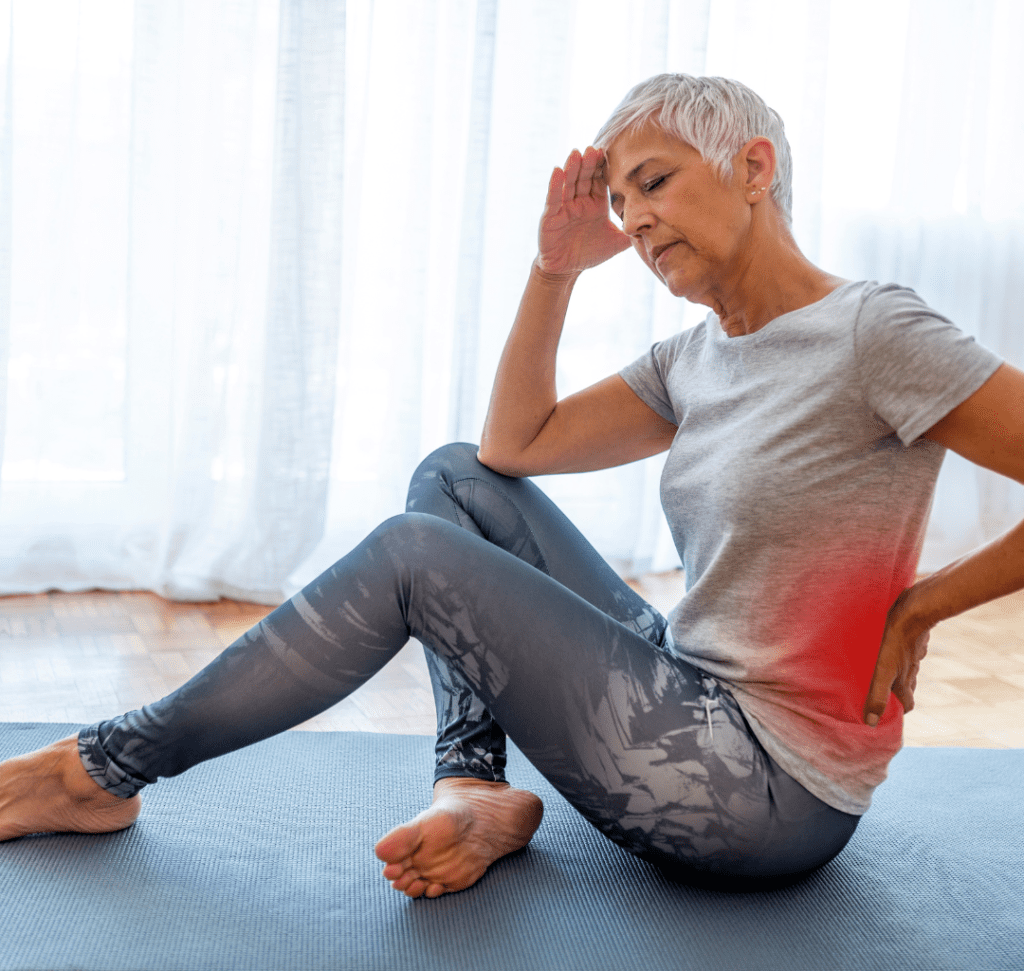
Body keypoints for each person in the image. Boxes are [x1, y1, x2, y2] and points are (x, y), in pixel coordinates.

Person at [2, 74, 1023, 896]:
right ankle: (472, 787)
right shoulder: (698, 355)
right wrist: (555, 271)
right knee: (449, 483)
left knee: (413, 557)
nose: (635, 222)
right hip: (683, 682)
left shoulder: (872, 333)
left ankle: (102, 769)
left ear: (751, 166)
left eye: (654, 184)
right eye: (620, 204)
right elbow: (511, 445)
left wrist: (925, 602)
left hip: (760, 791)